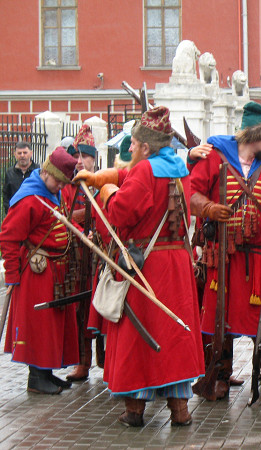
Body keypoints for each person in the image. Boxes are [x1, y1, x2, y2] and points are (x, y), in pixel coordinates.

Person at [73, 106, 204, 427]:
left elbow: (120, 212)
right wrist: (111, 175)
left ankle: (134, 411)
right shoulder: (177, 168)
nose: (130, 148)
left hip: (146, 265)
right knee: (173, 336)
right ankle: (180, 410)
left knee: (137, 336)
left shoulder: (145, 172)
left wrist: (105, 190)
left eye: (134, 143)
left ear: (146, 146)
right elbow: (136, 175)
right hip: (176, 264)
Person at [188, 101, 261, 402]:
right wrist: (208, 207)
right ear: (254, 135)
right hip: (222, 256)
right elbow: (191, 192)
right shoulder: (214, 159)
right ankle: (219, 376)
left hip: (258, 258)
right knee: (219, 318)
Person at [0, 146, 79, 395]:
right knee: (38, 324)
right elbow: (9, 238)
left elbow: (61, 221)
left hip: (55, 271)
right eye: (58, 181)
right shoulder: (29, 199)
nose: (60, 187)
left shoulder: (51, 194)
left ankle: (46, 372)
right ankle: (36, 377)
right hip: (36, 272)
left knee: (51, 325)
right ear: (47, 172)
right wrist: (12, 275)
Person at [60, 125, 104, 382]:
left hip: (99, 255)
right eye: (77, 157)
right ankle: (83, 363)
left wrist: (94, 233)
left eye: (84, 156)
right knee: (80, 309)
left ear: (93, 158)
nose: (79, 162)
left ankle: (108, 364)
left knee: (103, 309)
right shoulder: (69, 186)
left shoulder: (103, 181)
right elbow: (66, 216)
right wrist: (79, 231)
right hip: (77, 258)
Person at [3, 141, 39, 214]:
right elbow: (6, 195)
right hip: (15, 214)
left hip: (34, 214)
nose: (22, 155)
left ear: (31, 153)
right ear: (15, 155)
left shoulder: (38, 171)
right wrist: (9, 212)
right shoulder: (10, 173)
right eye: (19, 153)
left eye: (25, 152)